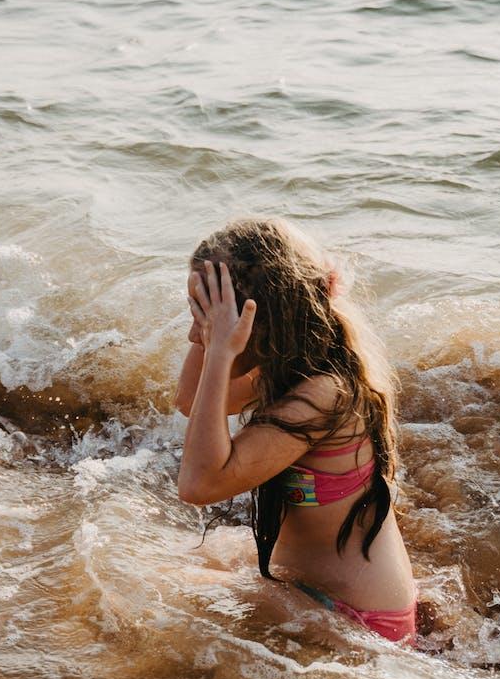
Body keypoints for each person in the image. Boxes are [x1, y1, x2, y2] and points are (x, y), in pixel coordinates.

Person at [175, 218, 417, 643]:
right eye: (198, 316)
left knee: (145, 584)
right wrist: (212, 341)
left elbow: (198, 484)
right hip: (316, 592)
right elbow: (190, 400)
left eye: (204, 319)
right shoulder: (295, 364)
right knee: (152, 558)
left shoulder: (325, 395)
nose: (196, 333)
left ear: (261, 321)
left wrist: (220, 347)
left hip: (359, 623)